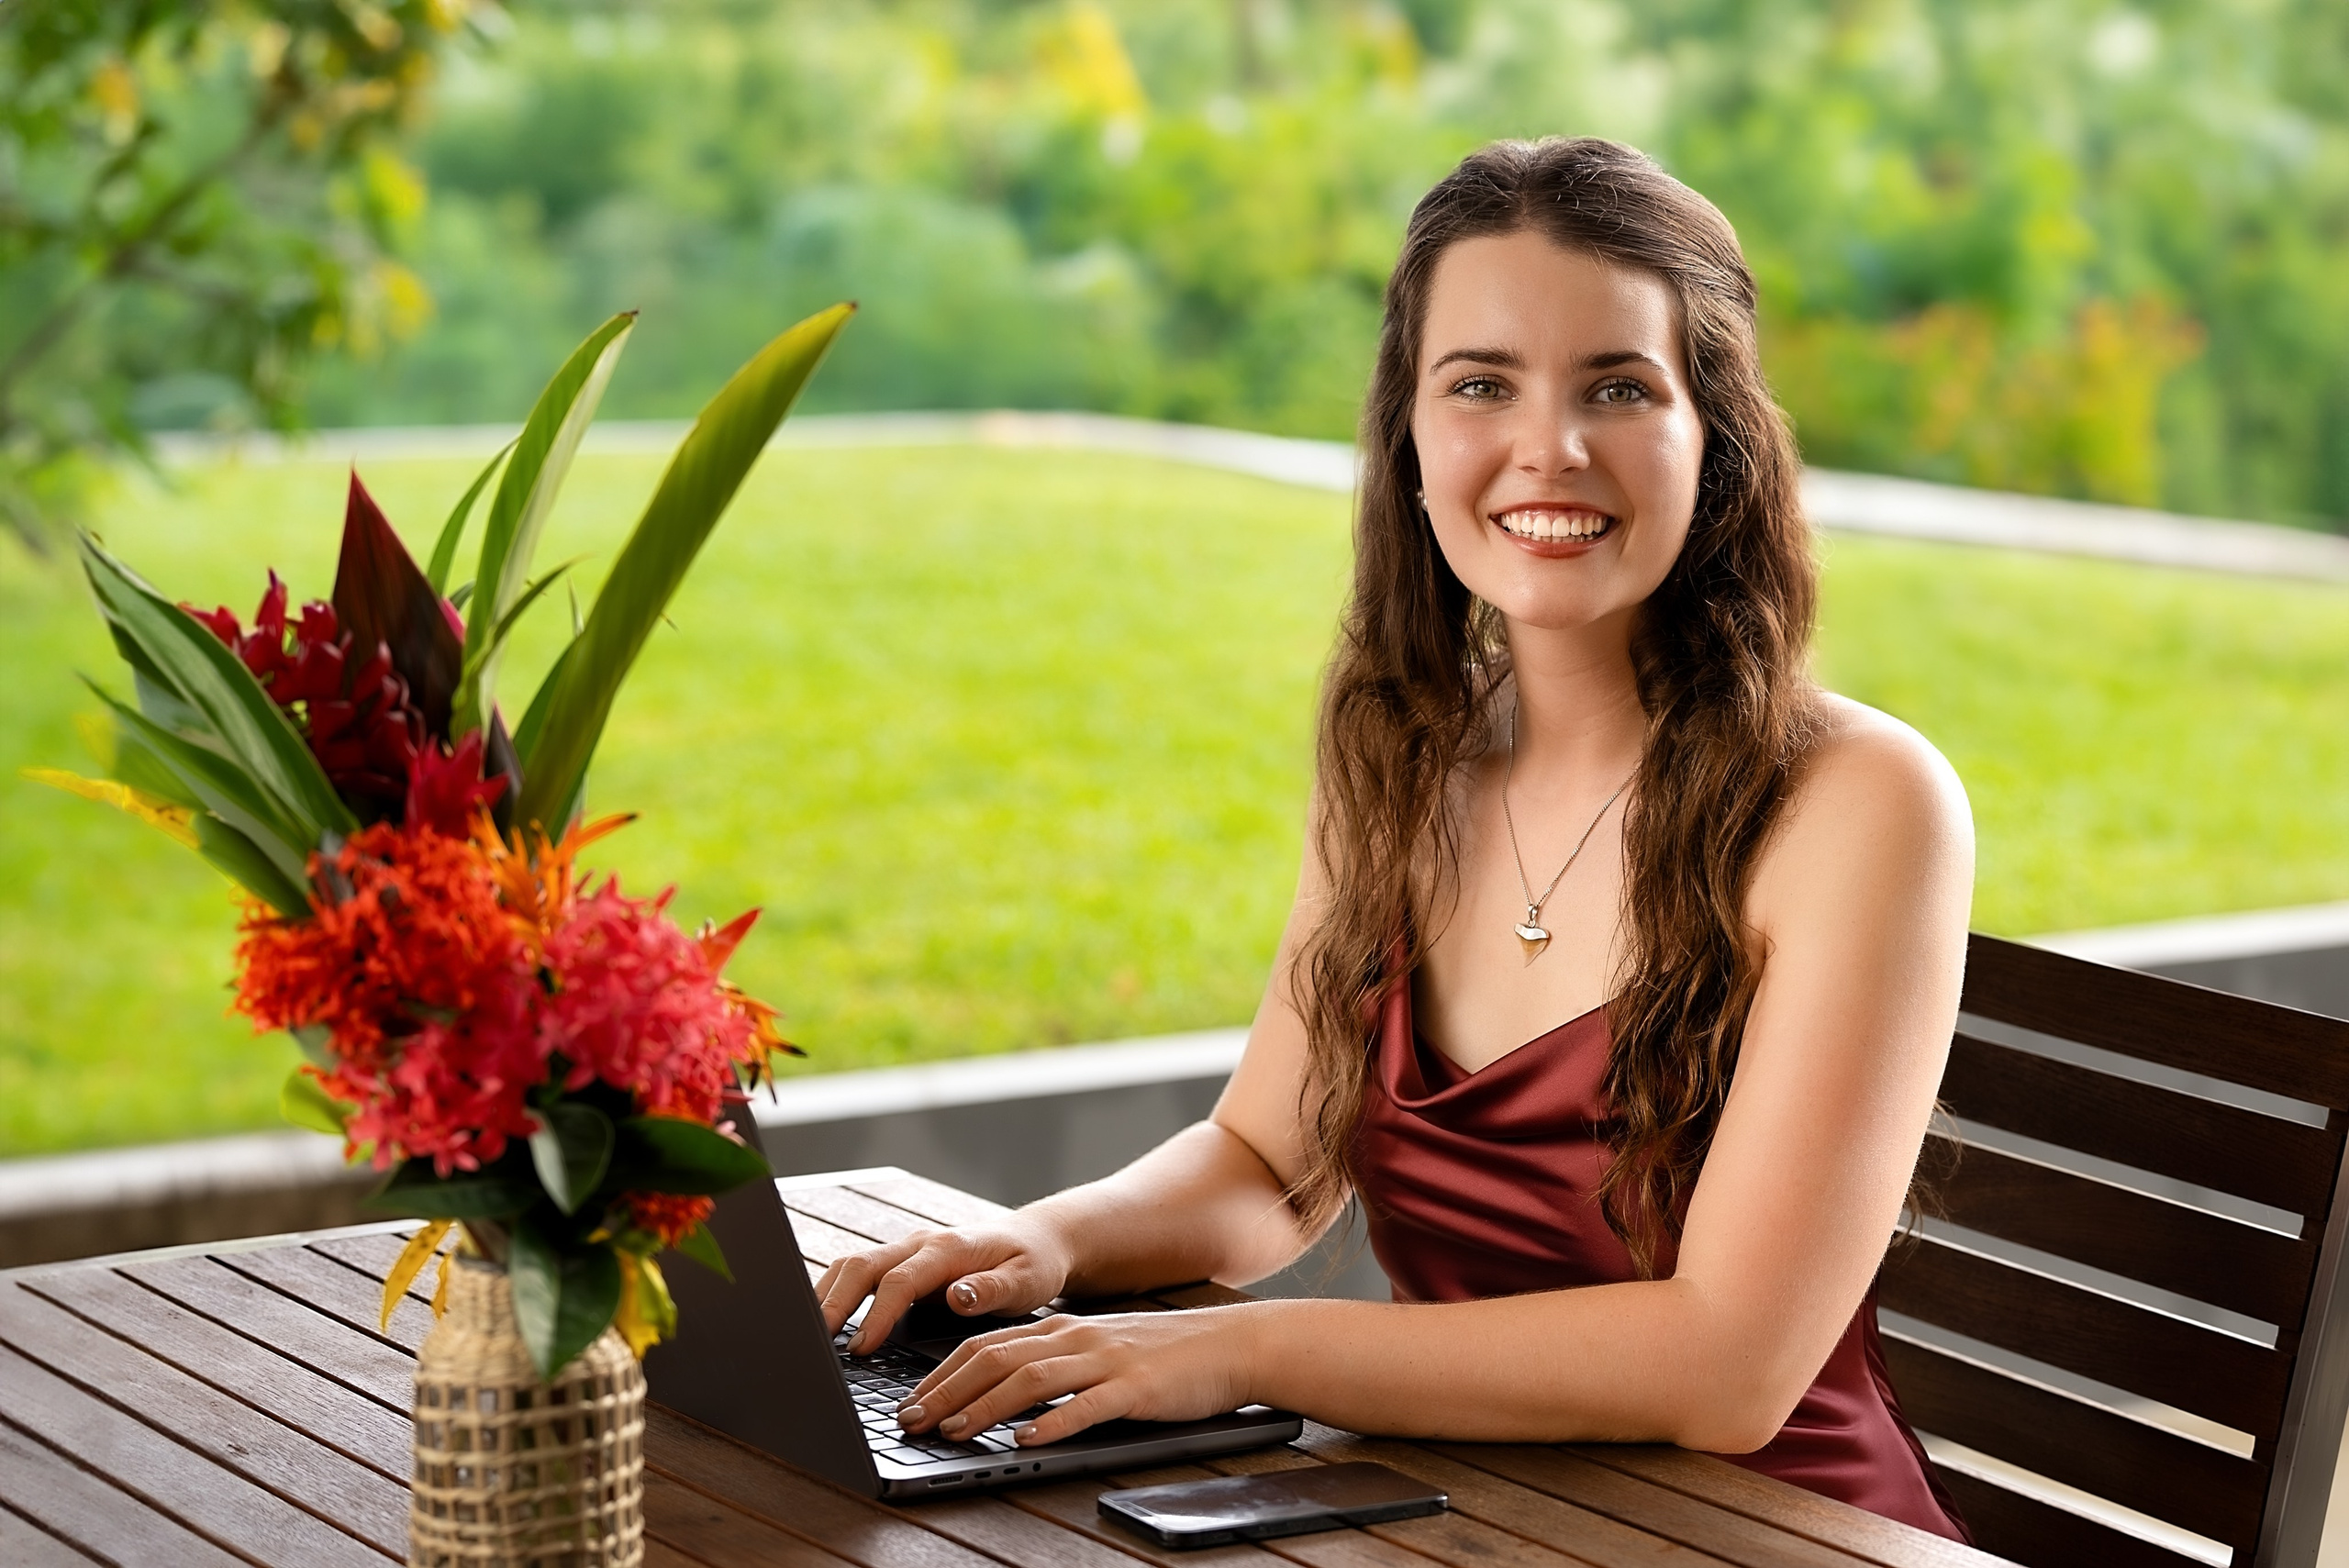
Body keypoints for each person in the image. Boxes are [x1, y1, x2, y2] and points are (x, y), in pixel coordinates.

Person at [817, 136, 1974, 1541]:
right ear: (1411, 435)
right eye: (1481, 384)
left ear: (1713, 436)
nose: (1549, 447)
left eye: (1619, 386)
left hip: (1763, 1528)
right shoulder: (1406, 748)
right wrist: (1052, 1239)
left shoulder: (1861, 802)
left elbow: (1727, 1367)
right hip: (1474, 1517)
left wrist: (1235, 1351)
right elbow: (1266, 1160)